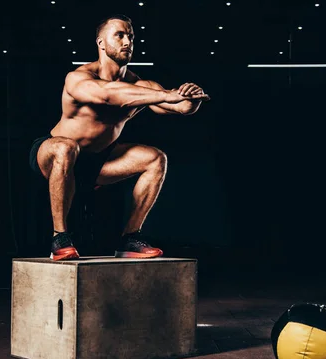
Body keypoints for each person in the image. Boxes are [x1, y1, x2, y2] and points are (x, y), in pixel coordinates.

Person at [29, 14, 210, 261]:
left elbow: (181, 108)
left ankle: (130, 238)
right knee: (66, 147)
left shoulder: (140, 84)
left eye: (131, 36)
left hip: (100, 162)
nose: (128, 42)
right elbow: (107, 95)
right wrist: (168, 95)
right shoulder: (78, 77)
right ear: (101, 43)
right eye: (120, 35)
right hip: (53, 155)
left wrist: (191, 98)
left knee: (156, 158)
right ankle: (59, 237)